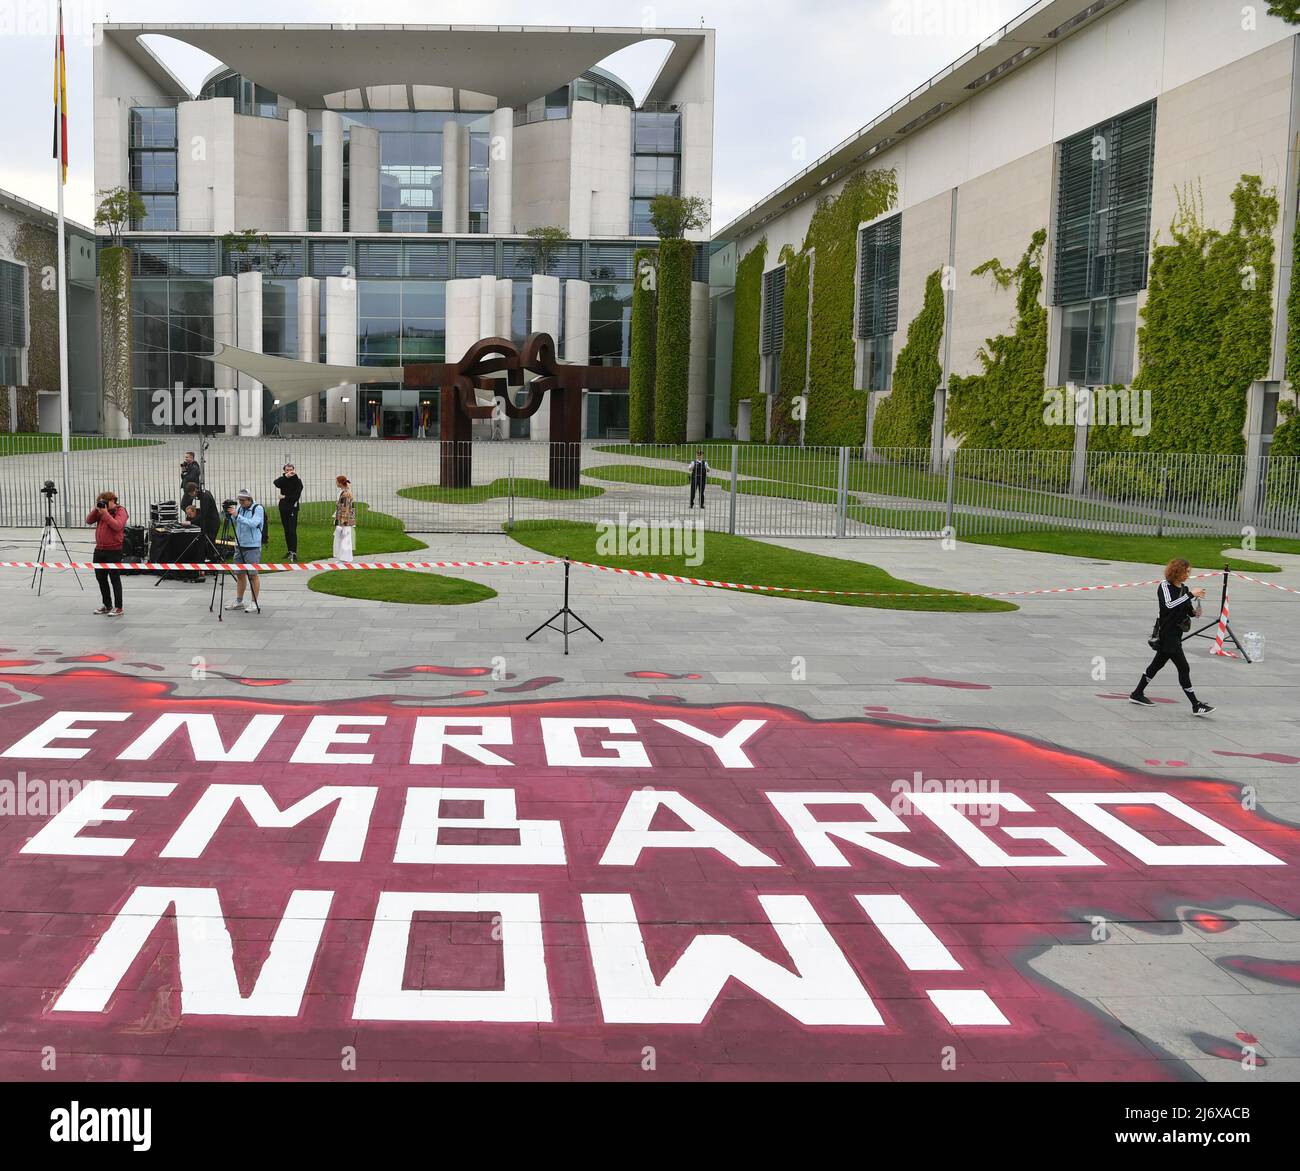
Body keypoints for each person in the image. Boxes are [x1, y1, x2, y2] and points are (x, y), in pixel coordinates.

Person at [1130, 557, 1216, 716]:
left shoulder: (1184, 588)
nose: (1188, 575)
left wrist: (1194, 612)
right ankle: (1196, 705)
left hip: (1176, 633)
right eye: (1186, 571)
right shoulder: (1164, 586)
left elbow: (1186, 609)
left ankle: (1137, 693)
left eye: (1189, 572)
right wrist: (1190, 594)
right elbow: (1169, 605)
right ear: (1177, 571)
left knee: (1156, 665)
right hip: (1167, 634)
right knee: (1184, 667)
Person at [86, 491, 128, 616]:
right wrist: (97, 509)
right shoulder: (100, 511)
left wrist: (105, 514)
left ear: (113, 500)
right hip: (99, 549)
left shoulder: (121, 511)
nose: (103, 504)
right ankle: (107, 605)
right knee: (101, 578)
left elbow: (117, 526)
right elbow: (88, 521)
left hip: (114, 550)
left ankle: (119, 607)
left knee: (114, 578)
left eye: (105, 501)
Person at [225, 489, 266, 613]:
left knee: (253, 575)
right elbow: (234, 521)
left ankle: (254, 602)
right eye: (239, 500)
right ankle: (239, 601)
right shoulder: (241, 509)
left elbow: (253, 523)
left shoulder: (258, 509)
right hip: (239, 545)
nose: (241, 503)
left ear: (250, 499)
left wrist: (237, 515)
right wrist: (229, 514)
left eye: (243, 500)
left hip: (252, 546)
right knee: (239, 574)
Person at [273, 461, 304, 561]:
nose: (290, 472)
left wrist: (284, 497)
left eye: (291, 470)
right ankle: (289, 551)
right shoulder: (283, 480)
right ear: (284, 471)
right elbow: (276, 483)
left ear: (294, 470)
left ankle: (294, 552)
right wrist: (285, 477)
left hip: (292, 508)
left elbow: (296, 496)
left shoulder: (297, 481)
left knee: (292, 530)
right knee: (286, 530)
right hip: (283, 508)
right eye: (287, 470)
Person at [333, 475, 356, 562]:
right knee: (343, 539)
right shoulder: (344, 492)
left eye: (336, 482)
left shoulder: (345, 494)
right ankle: (343, 558)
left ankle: (345, 559)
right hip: (344, 520)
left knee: (344, 540)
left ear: (340, 483)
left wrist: (342, 523)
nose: (336, 483)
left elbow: (345, 509)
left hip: (345, 521)